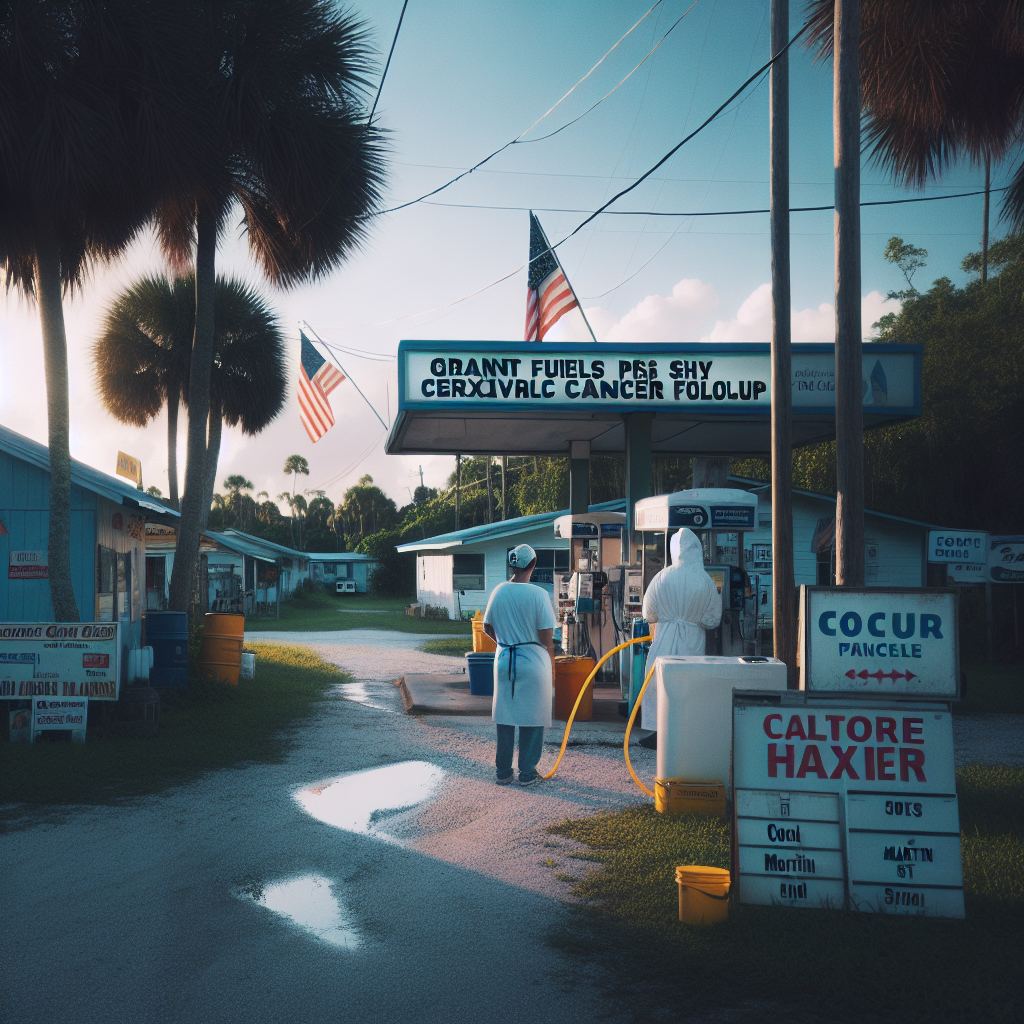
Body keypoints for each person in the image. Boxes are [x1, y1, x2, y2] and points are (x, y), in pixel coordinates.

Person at [638, 528, 722, 749]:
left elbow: (649, 613)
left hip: (664, 637)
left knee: (660, 684)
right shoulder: (705, 581)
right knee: (689, 687)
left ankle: (659, 734)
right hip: (693, 641)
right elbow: (713, 620)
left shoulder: (662, 576)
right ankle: (686, 735)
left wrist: (667, 618)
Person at [482, 543, 556, 786]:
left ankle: (503, 772)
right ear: (533, 565)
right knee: (533, 717)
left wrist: (505, 641)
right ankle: (527, 772)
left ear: (511, 564)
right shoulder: (539, 594)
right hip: (533, 661)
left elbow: (487, 627)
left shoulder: (499, 591)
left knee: (505, 716)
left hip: (504, 658)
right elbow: (546, 639)